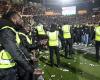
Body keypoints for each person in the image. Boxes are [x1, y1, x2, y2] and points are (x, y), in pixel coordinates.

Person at [0, 11, 33, 80]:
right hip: (4, 69)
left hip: (9, 66)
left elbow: (19, 46)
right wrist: (30, 68)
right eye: (20, 18)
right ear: (13, 18)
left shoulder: (11, 29)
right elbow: (15, 52)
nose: (22, 20)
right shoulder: (6, 30)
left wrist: (29, 56)